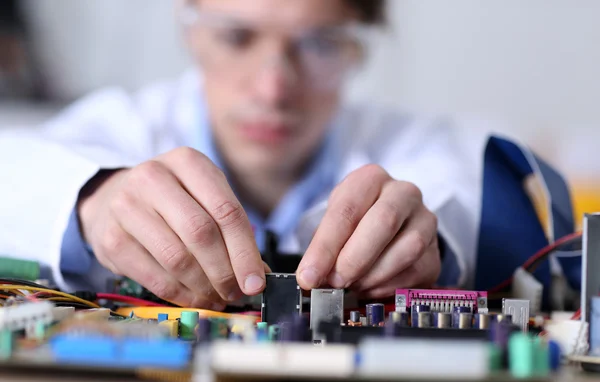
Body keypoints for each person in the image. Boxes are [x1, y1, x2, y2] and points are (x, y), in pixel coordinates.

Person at [0, 0, 479, 310]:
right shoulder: (121, 126)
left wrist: (430, 241)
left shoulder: (417, 145)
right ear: (189, 30)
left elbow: (482, 198)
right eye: (236, 37)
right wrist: (92, 202)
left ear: (359, 49)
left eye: (319, 44)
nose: (273, 89)